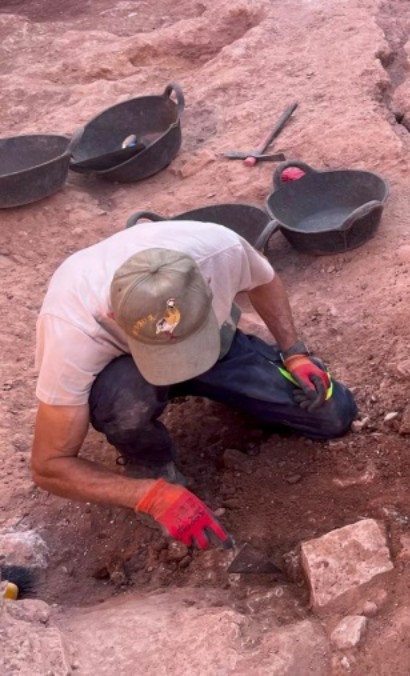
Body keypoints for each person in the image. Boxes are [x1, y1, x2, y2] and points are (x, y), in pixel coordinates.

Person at [30, 221, 357, 550]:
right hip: (129, 374)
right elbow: (49, 465)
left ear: (208, 285)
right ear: (113, 317)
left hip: (216, 344)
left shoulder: (218, 250)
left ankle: (223, 365)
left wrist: (294, 352)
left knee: (332, 413)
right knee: (124, 404)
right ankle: (150, 463)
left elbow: (264, 280)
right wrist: (150, 497)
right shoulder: (70, 329)